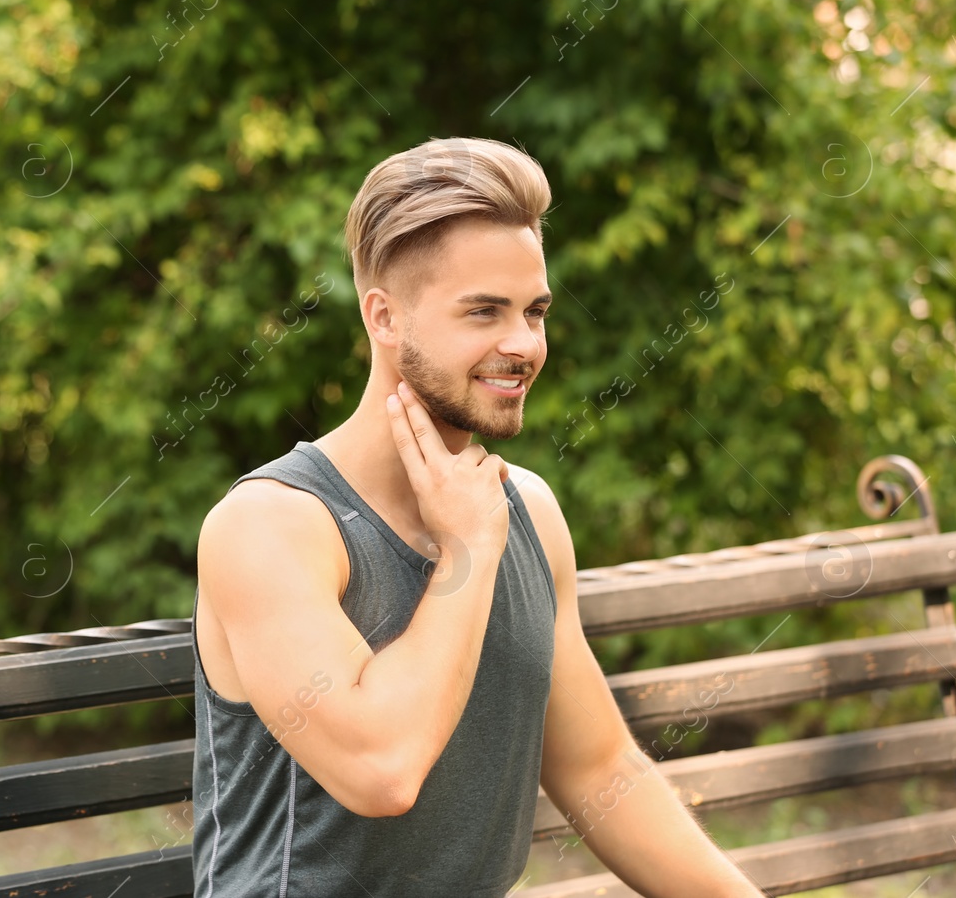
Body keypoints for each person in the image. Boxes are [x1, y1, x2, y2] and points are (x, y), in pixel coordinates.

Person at [190, 137, 765, 896]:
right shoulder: (270, 527)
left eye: (535, 310)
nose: (523, 343)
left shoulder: (527, 511)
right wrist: (466, 548)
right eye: (485, 311)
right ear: (385, 317)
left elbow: (599, 769)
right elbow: (382, 768)